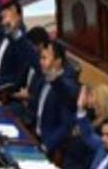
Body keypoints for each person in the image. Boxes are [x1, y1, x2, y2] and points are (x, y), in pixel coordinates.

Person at [24, 28, 81, 157]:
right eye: (41, 58)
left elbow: (66, 126)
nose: (41, 62)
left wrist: (46, 146)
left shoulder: (67, 86)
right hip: (31, 132)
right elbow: (34, 105)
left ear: (58, 61)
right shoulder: (43, 77)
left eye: (44, 58)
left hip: (45, 144)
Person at [0, 0, 39, 94]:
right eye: (2, 18)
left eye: (6, 17)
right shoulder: (0, 34)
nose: (3, 22)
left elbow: (17, 76)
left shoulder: (24, 42)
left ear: (18, 17)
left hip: (1, 90)